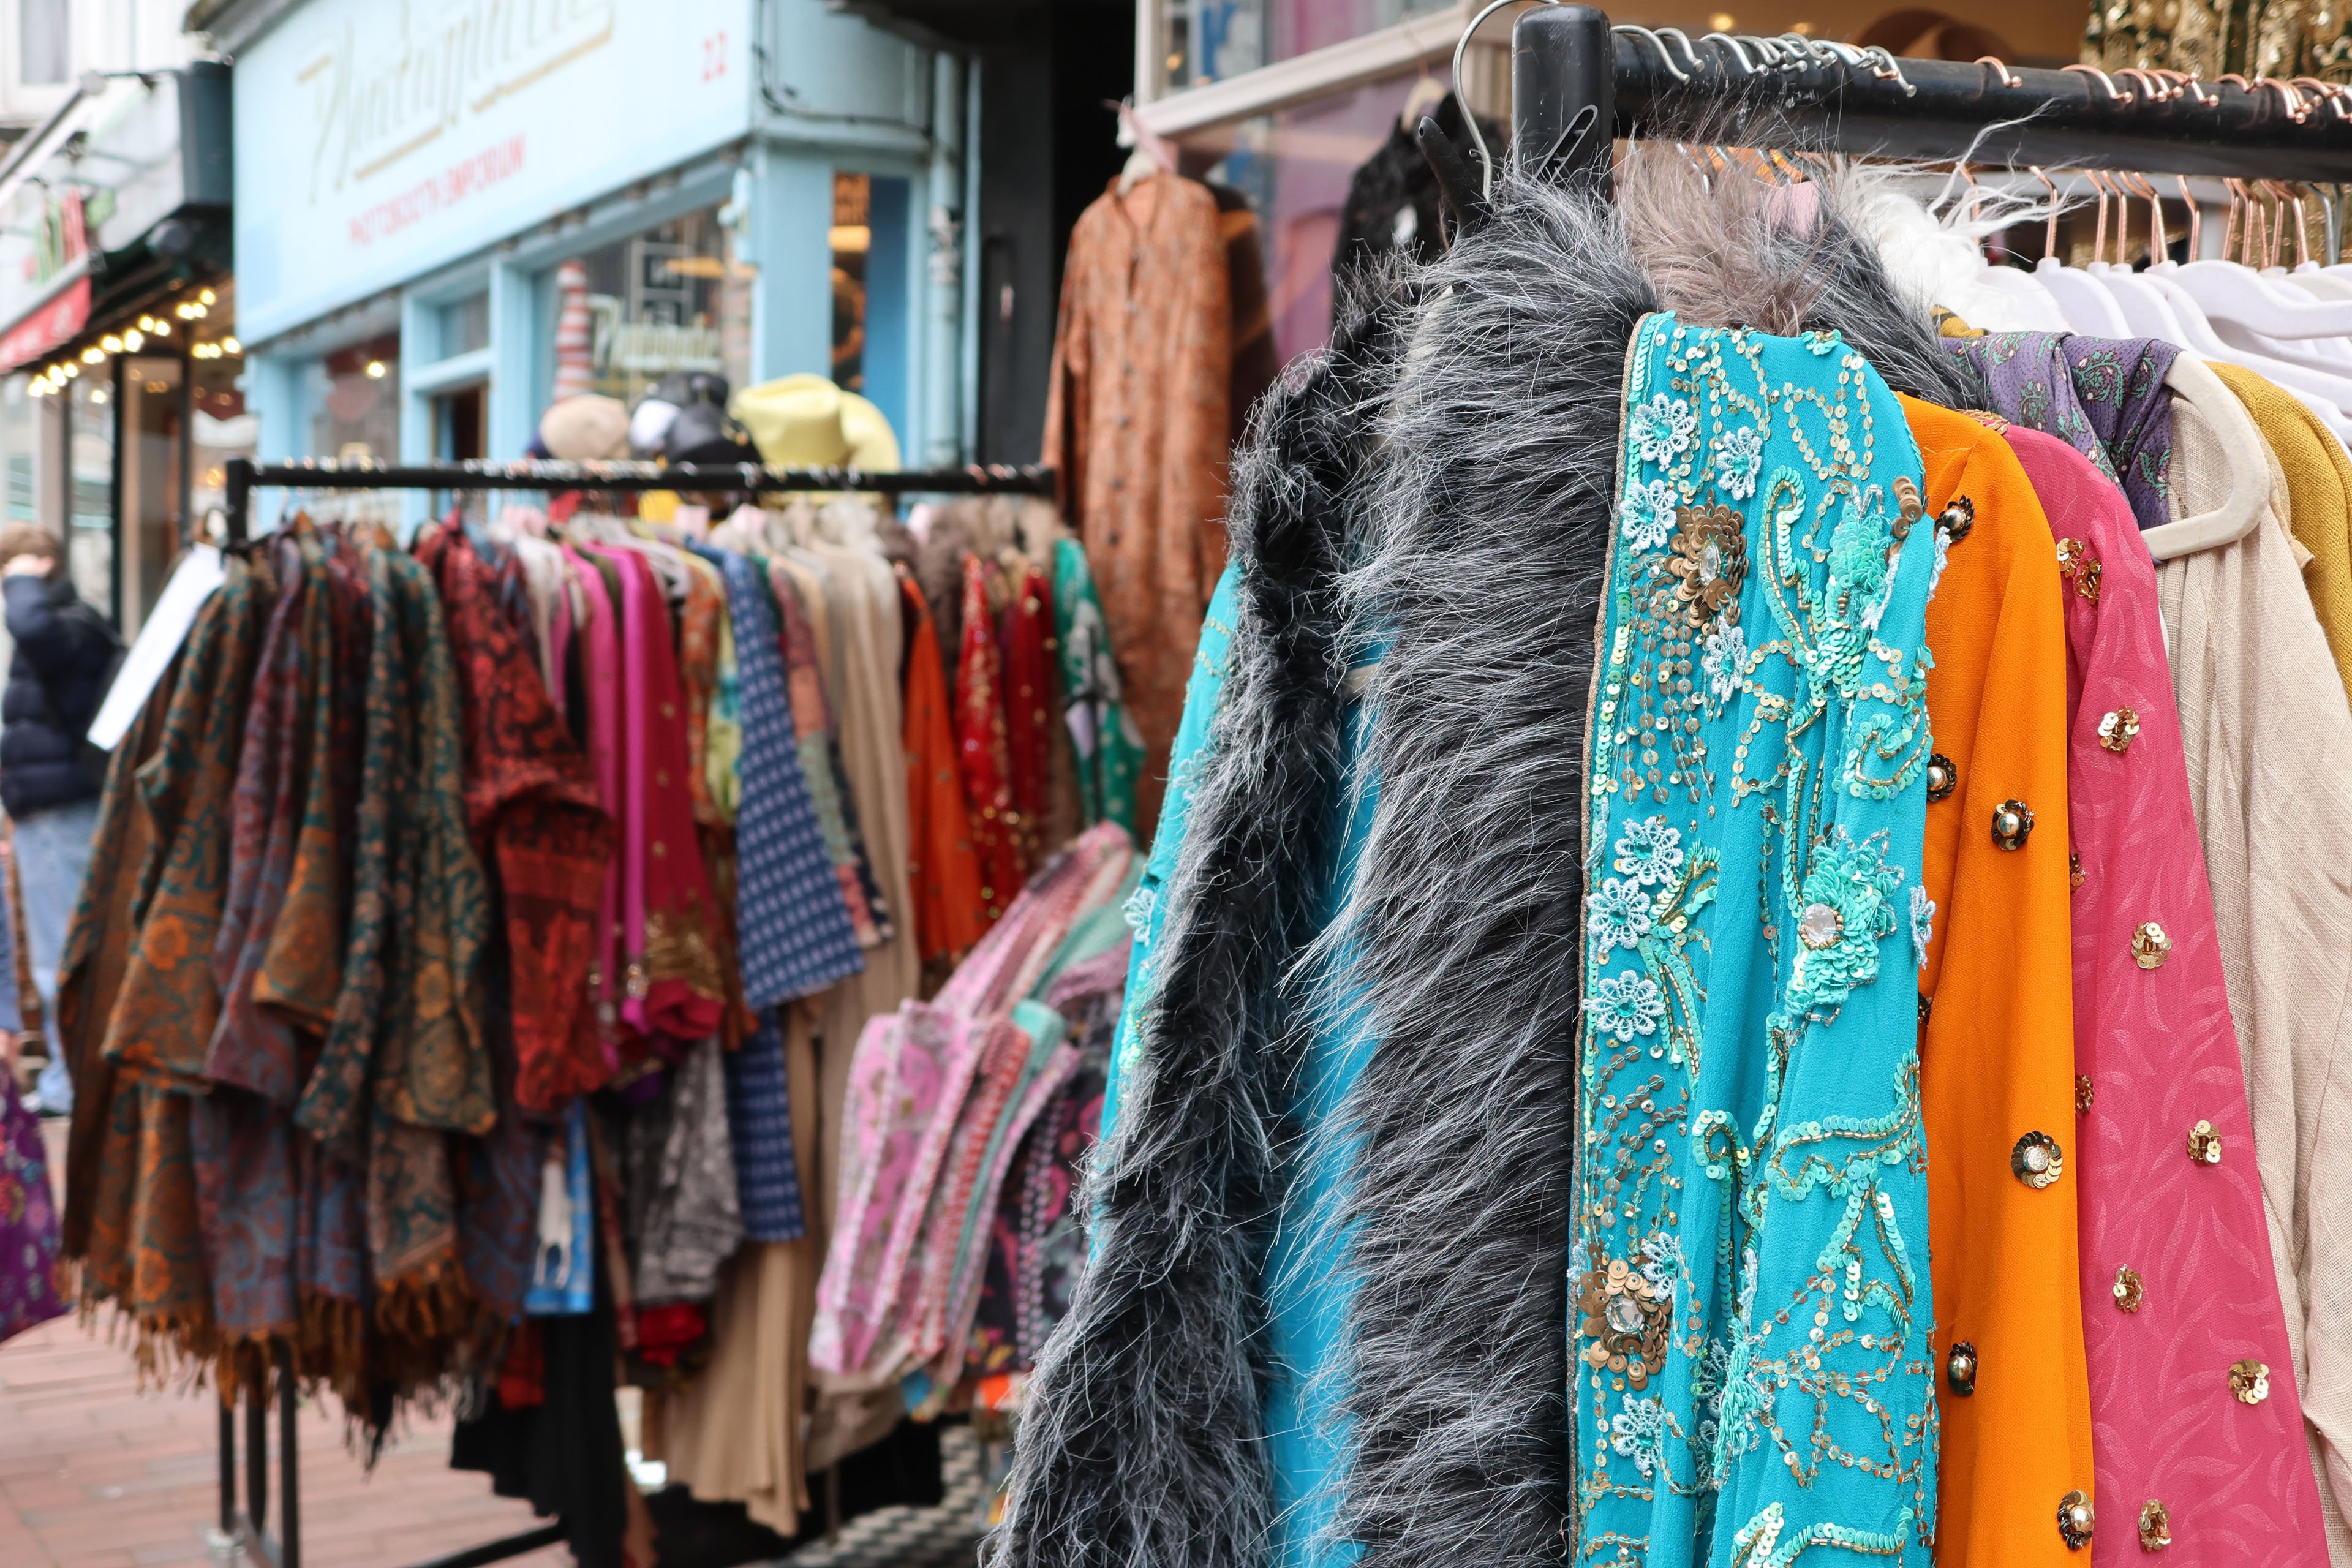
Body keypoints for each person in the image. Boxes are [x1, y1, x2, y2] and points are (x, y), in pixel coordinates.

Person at [2, 526, 117, 1115]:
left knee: (60, 956)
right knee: (61, 950)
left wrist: (23, 578)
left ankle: (72, 1086)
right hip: (53, 810)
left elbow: (31, 626)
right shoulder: (72, 623)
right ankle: (73, 1081)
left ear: (42, 565)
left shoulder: (67, 624)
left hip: (60, 812)